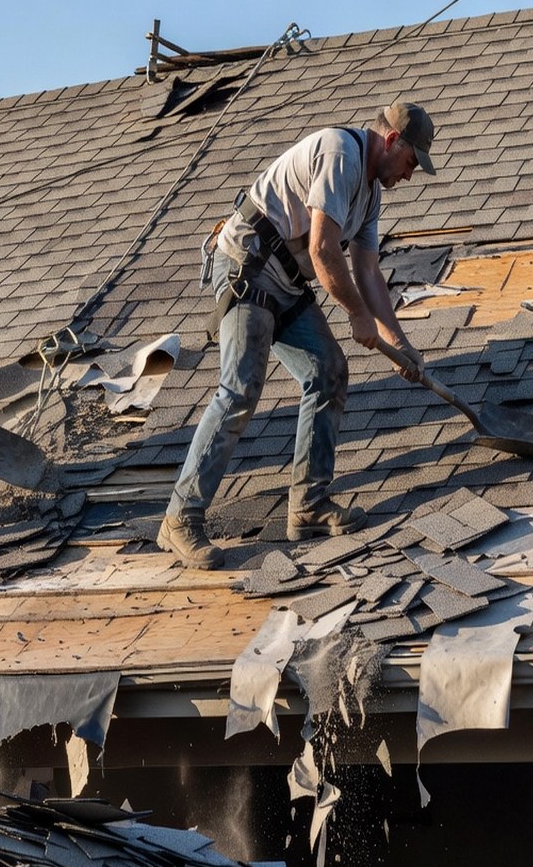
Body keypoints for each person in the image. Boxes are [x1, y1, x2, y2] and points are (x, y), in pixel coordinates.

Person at [157, 101, 438, 570]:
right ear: (392, 142)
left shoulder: (370, 194)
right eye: (411, 163)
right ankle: (180, 518)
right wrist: (357, 317)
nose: (409, 175)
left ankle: (309, 506)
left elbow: (368, 273)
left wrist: (399, 343)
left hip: (286, 284)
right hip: (247, 267)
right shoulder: (339, 154)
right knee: (240, 387)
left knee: (328, 369)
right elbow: (324, 248)